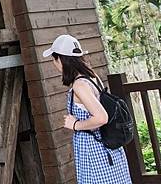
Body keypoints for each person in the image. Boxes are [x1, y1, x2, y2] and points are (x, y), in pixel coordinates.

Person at [43, 34, 132, 184]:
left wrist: (75, 125)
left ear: (61, 59)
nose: (54, 63)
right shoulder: (91, 76)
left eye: (54, 58)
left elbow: (101, 117)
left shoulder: (80, 85)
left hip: (96, 152)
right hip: (109, 149)